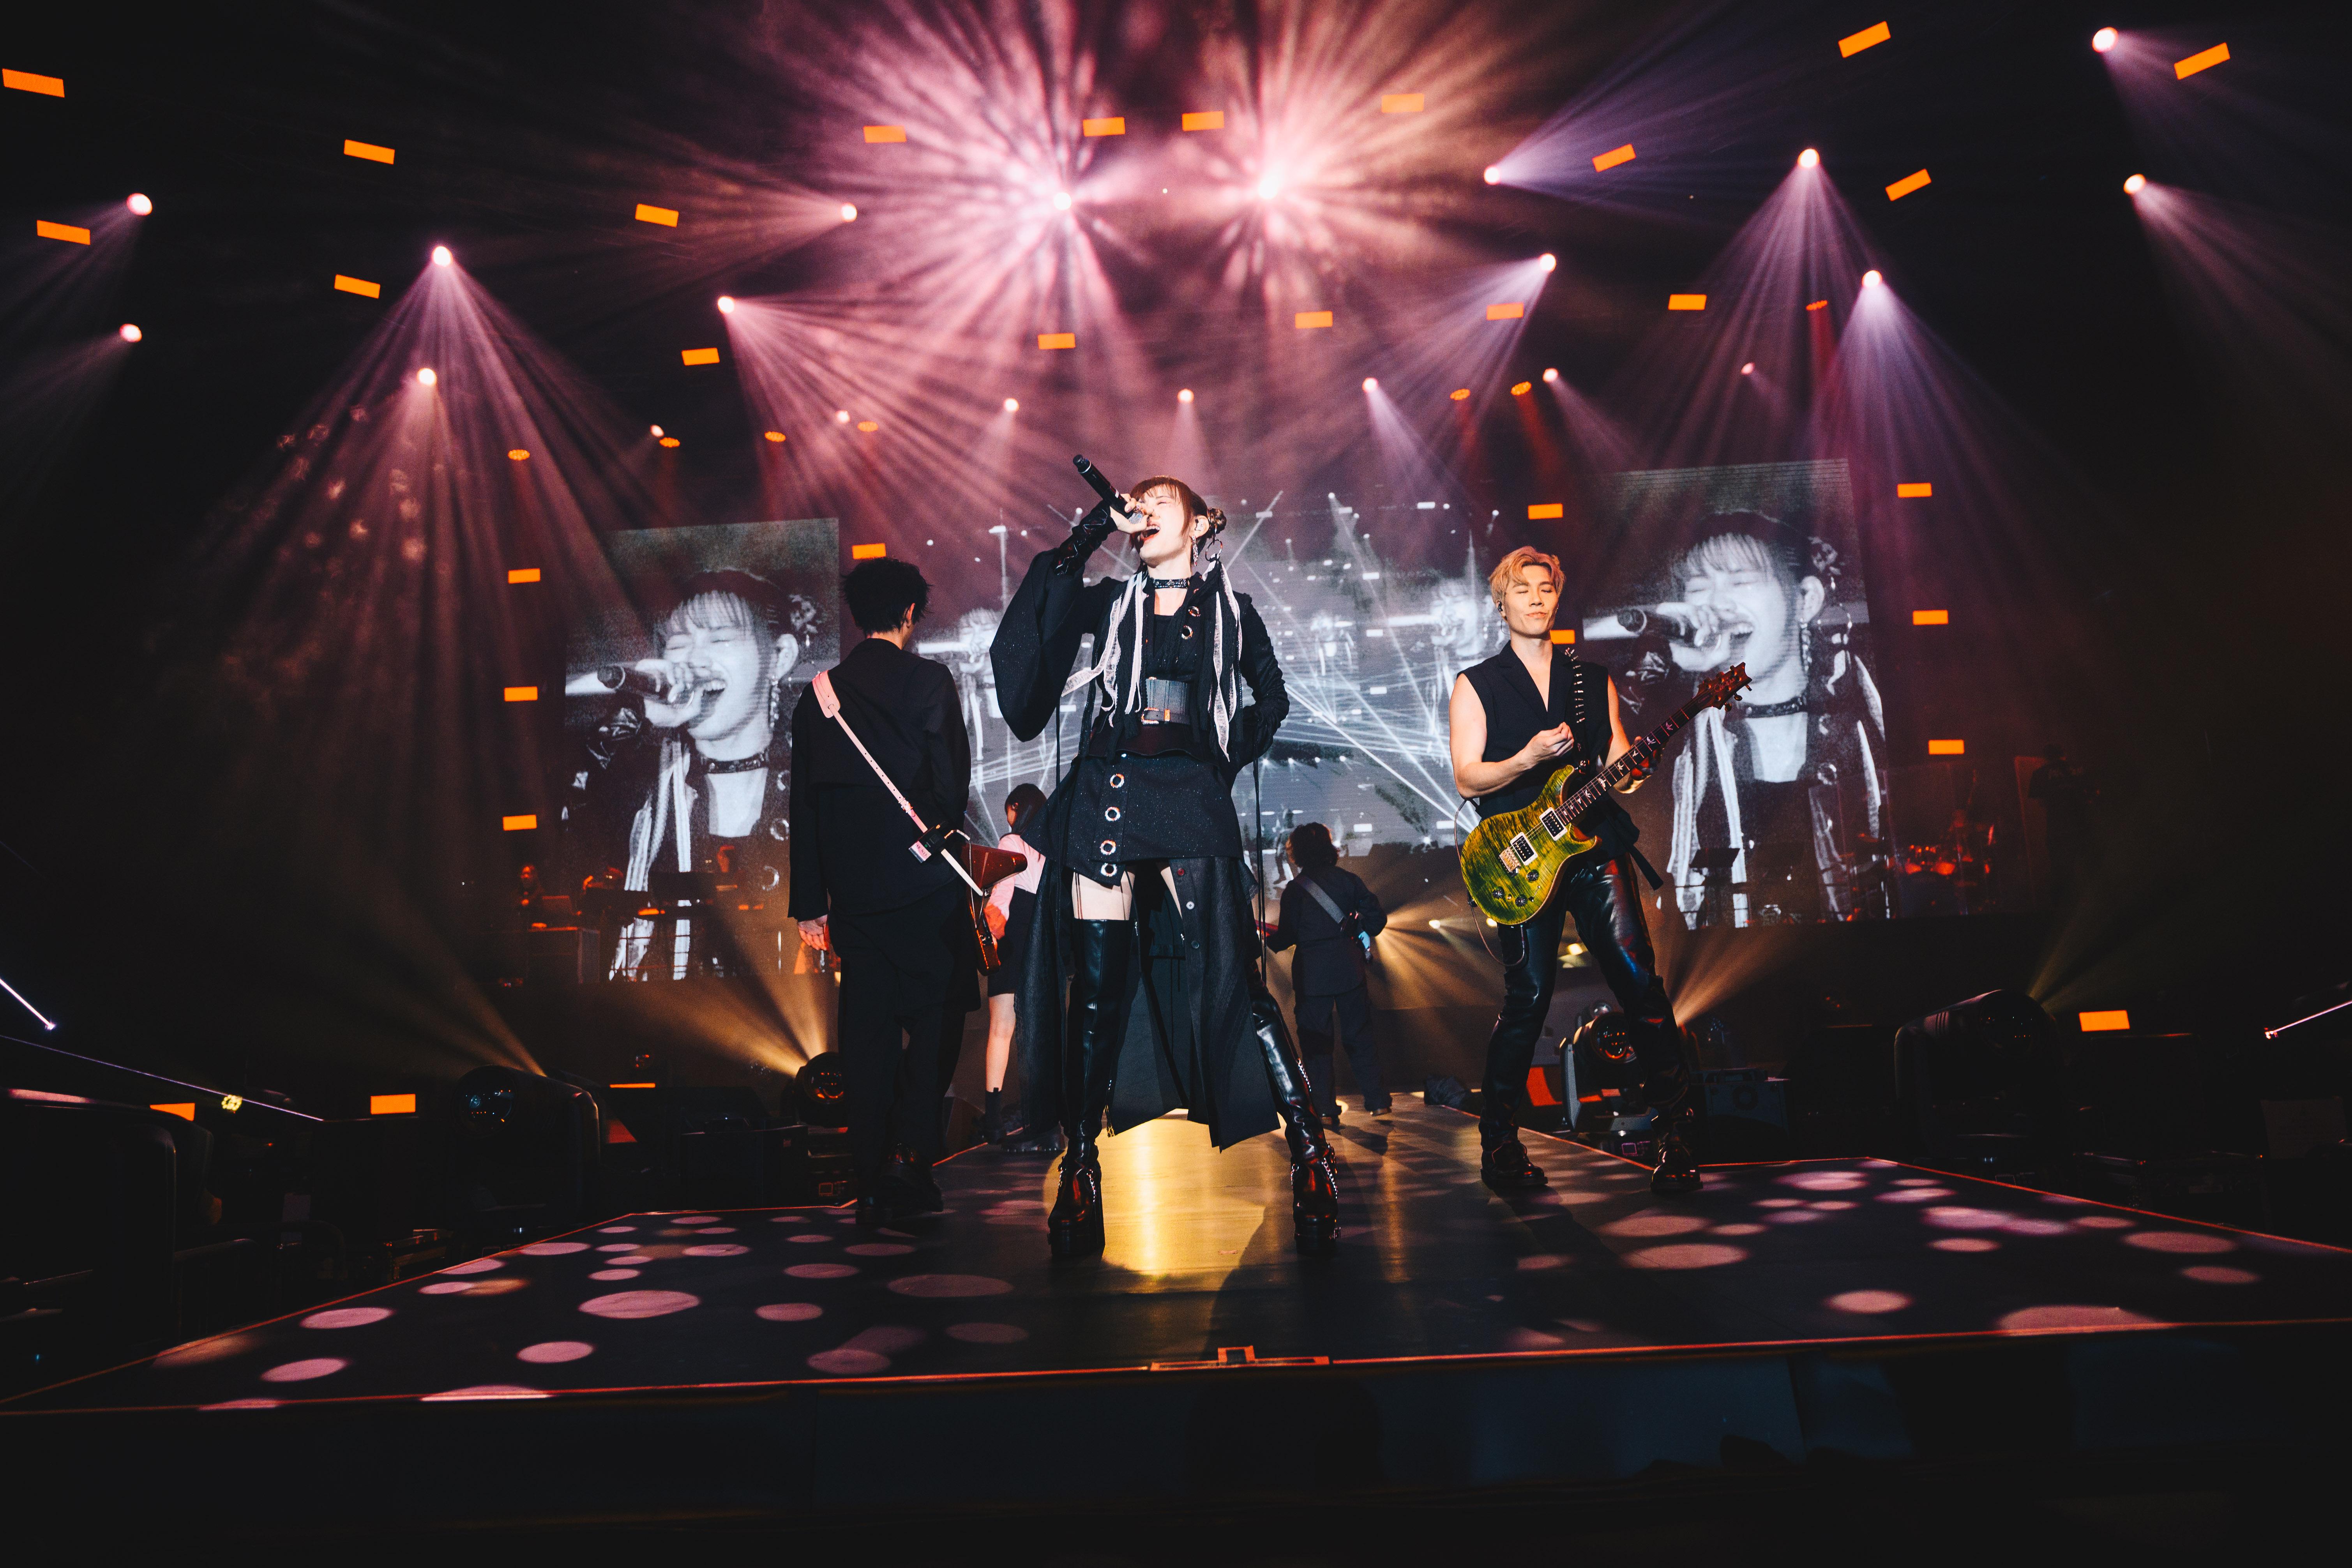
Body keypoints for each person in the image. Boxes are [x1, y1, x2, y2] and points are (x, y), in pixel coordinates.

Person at [990, 472, 1339, 1257]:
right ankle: (1081, 1167)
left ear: (1201, 523)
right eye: (1137, 503)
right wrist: (1094, 528)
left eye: (1161, 503)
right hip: (1107, 796)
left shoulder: (1231, 612)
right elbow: (1039, 618)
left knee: (1236, 980)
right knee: (1096, 993)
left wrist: (1218, 760)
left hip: (1187, 798)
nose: (1144, 511)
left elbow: (1272, 697)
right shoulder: (1111, 602)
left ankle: (1311, 1150)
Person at [1449, 545, 1700, 1196]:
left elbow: (1618, 760)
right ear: (1500, 602)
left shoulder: (1592, 679)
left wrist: (1635, 767)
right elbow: (1468, 777)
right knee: (1528, 995)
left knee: (1639, 981)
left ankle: (1677, 1134)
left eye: (1546, 589)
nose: (1536, 599)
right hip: (1522, 858)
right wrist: (1526, 758)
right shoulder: (1476, 683)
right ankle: (1500, 1143)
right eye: (1522, 589)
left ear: (1558, 599)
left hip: (1594, 848)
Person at [788, 558, 973, 1227]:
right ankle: (910, 1157)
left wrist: (811, 904)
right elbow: (951, 789)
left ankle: (868, 1178)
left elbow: (804, 805)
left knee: (866, 1037)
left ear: (856, 613)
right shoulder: (930, 682)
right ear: (911, 613)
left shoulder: (818, 695)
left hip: (854, 897)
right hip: (924, 888)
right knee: (937, 1019)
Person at [1646, 511, 1885, 927]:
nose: (1716, 604)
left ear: (1805, 600)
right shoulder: (1678, 737)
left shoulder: (1859, 724)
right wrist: (1674, 664)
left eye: (1741, 582)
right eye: (1698, 588)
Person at [561, 570, 800, 978]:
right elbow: (567, 817)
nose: (694, 660)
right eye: (678, 644)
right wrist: (634, 712)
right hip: (667, 993)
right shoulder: (637, 786)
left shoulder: (817, 778)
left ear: (779, 657)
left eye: (720, 640)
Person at [1264, 822, 1390, 1121]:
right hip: (1349, 970)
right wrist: (1356, 926)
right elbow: (1377, 921)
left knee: (1316, 1045)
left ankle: (1324, 1110)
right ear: (1328, 848)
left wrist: (1268, 938)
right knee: (1360, 1037)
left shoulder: (1295, 890)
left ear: (1297, 852)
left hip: (1312, 976)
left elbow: (1288, 935)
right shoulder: (1349, 881)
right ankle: (1378, 1103)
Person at [980, 782, 1050, 1148]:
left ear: (1017, 808)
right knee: (1037, 1031)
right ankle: (1039, 1113)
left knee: (1001, 1030)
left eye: (1009, 809)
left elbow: (1003, 892)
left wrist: (992, 930)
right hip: (1042, 939)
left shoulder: (1011, 842)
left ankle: (993, 1120)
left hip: (1014, 937)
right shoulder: (1052, 850)